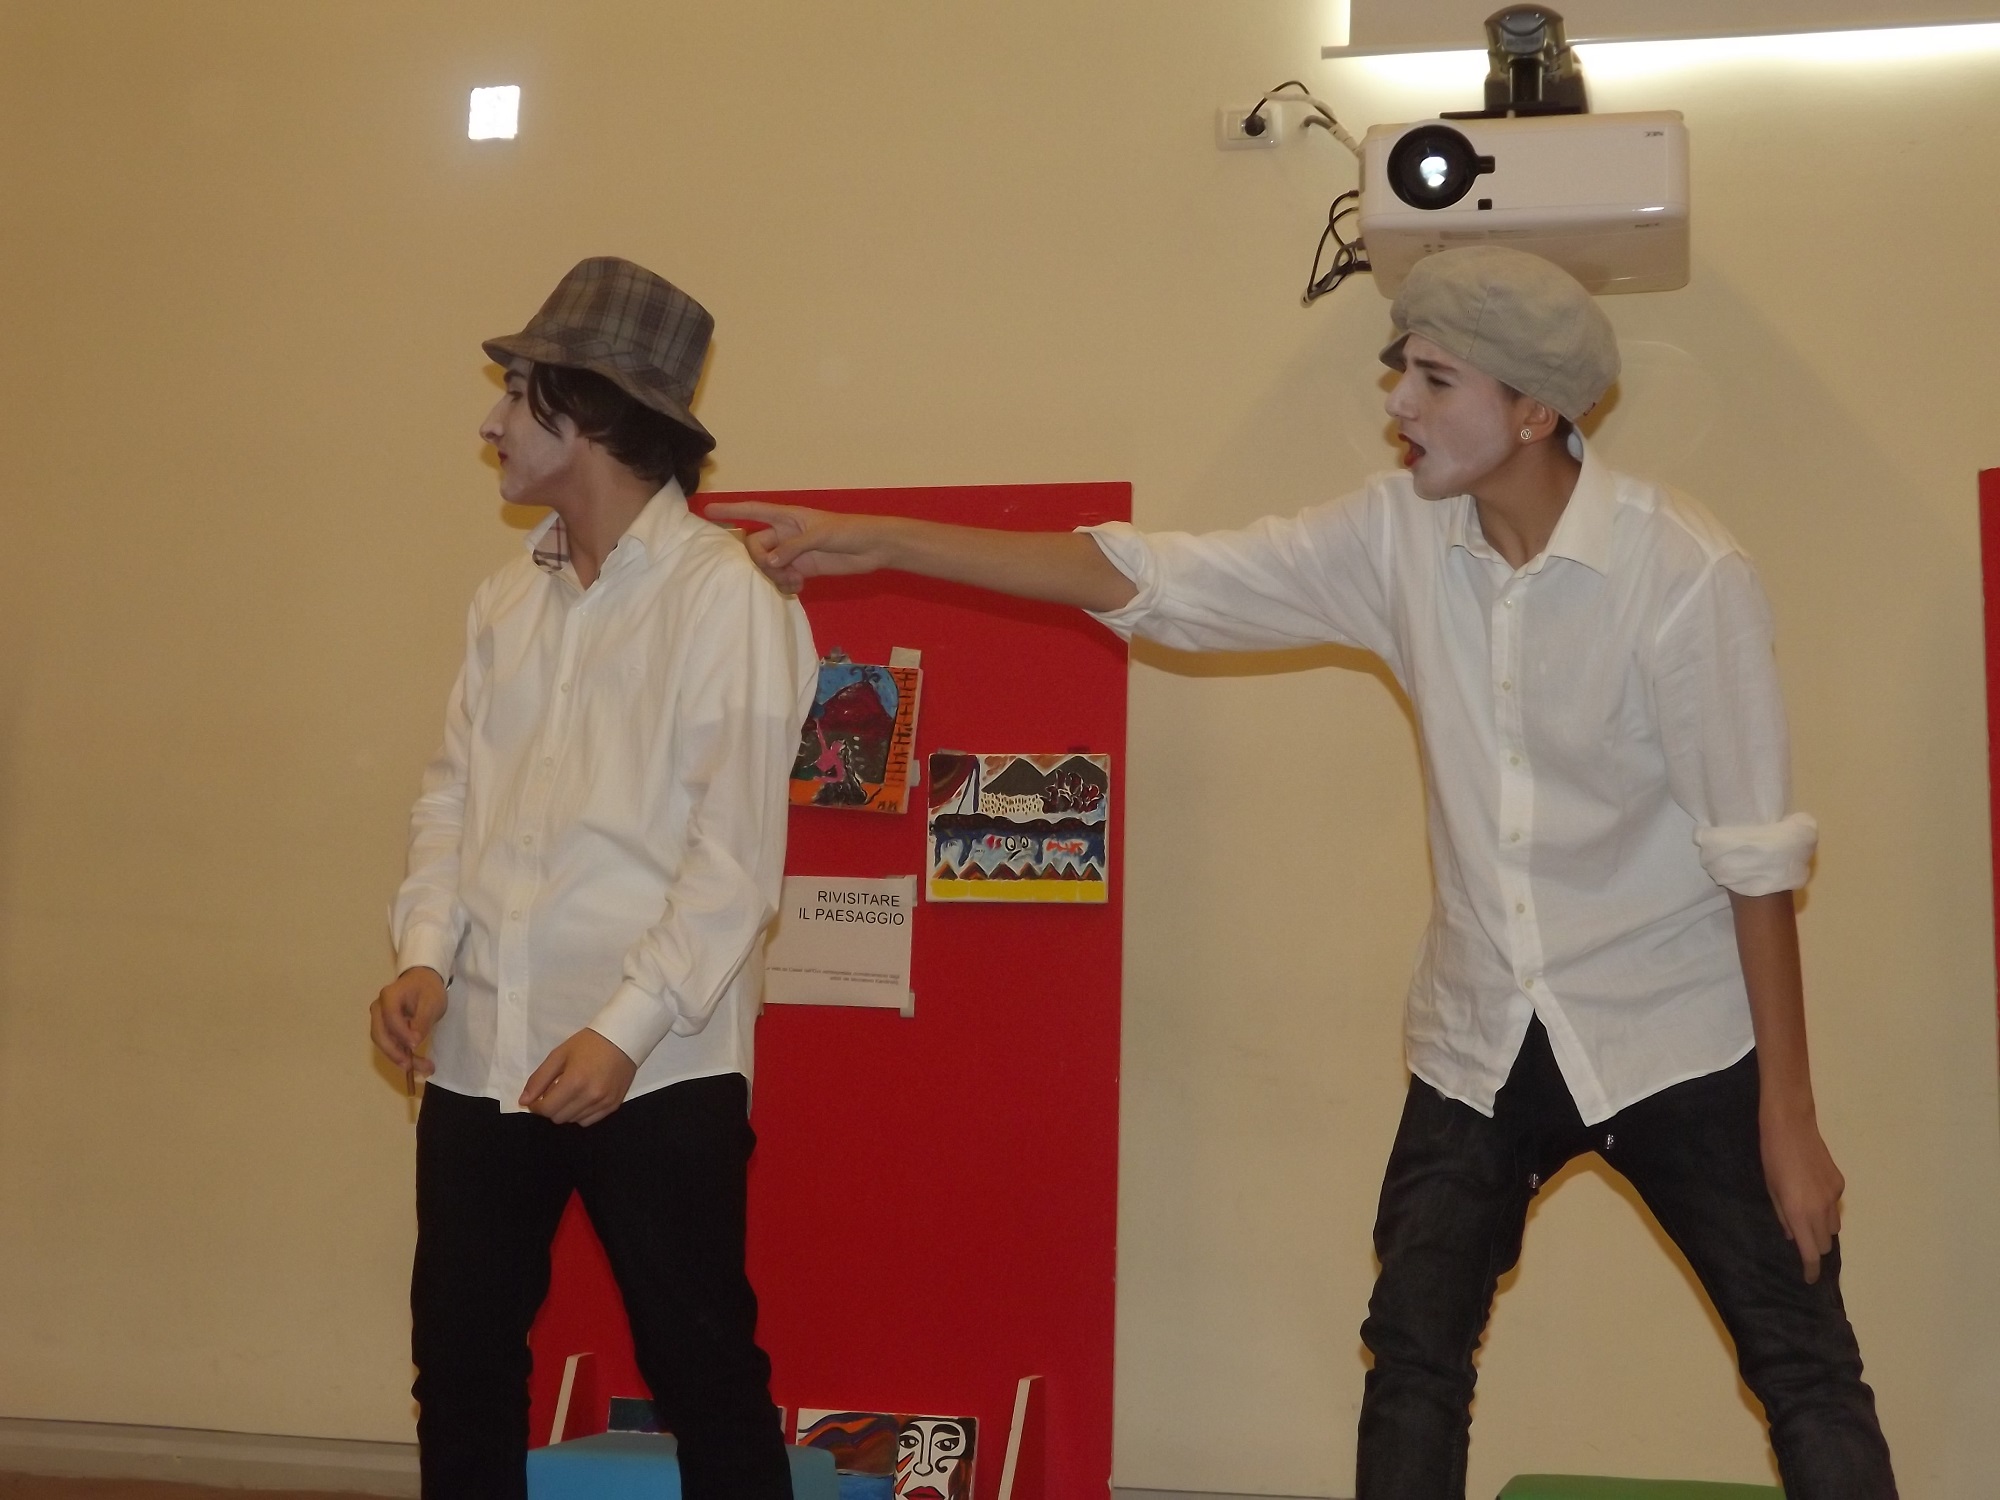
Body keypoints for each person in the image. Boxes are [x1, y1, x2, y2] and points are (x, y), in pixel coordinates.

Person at [708, 247, 1897, 1499]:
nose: (1397, 403)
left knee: (1802, 1361)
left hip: (1671, 1033)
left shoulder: (1681, 571)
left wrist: (1788, 1115)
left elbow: (1752, 854)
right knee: (1412, 1355)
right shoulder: (1396, 536)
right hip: (1478, 1033)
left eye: (1433, 380)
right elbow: (1159, 580)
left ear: (1533, 412)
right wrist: (881, 543)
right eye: (1400, 372)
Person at [368, 257, 818, 1500]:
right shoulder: (503, 603)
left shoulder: (726, 598)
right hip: (480, 1047)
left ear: (591, 413)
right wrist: (424, 952)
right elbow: (450, 796)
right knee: (459, 1368)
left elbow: (733, 862)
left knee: (701, 1373)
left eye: (517, 394)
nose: (490, 421)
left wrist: (620, 1030)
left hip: (657, 1061)